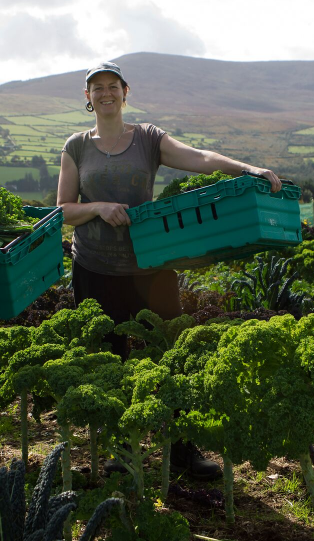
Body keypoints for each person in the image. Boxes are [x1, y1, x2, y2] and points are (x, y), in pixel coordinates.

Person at [56, 61, 282, 480]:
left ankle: (182, 448)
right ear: (87, 98)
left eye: (112, 86)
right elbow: (64, 210)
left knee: (170, 353)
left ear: (126, 92)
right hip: (95, 268)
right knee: (111, 358)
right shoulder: (76, 147)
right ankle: (121, 450)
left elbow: (198, 157)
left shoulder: (148, 138)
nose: (105, 93)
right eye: (96, 88)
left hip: (151, 264)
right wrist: (98, 208)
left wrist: (246, 169)